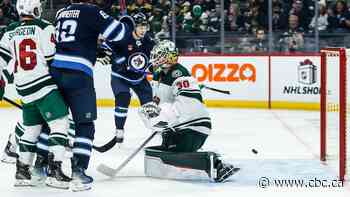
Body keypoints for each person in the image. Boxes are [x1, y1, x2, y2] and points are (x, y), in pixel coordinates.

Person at [49, 0, 127, 191]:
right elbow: (119, 33)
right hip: (78, 74)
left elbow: (75, 37)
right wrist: (125, 24)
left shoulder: (61, 12)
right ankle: (78, 171)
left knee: (53, 122)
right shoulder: (91, 10)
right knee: (85, 124)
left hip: (56, 70)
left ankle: (44, 168)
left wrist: (94, 47)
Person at [139, 40, 239, 182]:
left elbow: (188, 107)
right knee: (166, 150)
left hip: (192, 127)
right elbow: (160, 101)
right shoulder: (158, 74)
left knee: (176, 153)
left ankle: (215, 164)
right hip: (178, 126)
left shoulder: (179, 74)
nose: (156, 58)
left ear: (169, 57)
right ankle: (205, 160)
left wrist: (166, 118)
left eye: (160, 55)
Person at [0, 0, 71, 188]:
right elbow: (50, 58)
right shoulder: (44, 27)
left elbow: (1, 59)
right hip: (43, 85)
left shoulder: (10, 30)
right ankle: (55, 172)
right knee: (60, 122)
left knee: (31, 128)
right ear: (35, 9)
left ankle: (22, 172)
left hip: (23, 88)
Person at [100, 12, 155, 144]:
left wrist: (156, 71)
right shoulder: (122, 37)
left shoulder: (148, 41)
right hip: (120, 77)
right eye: (140, 27)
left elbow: (154, 61)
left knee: (149, 105)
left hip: (139, 78)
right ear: (134, 27)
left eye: (145, 26)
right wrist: (107, 55)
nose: (143, 30)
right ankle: (119, 130)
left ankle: (155, 127)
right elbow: (104, 47)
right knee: (123, 99)